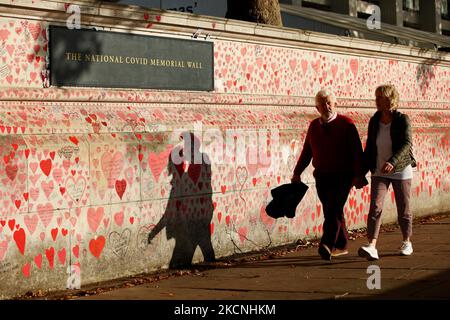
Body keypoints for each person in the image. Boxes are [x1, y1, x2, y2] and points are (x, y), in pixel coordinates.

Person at [292, 89, 367, 261]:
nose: (326, 106)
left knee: (333, 209)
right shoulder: (314, 126)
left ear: (335, 104)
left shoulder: (347, 124)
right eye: (322, 104)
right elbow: (307, 151)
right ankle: (341, 245)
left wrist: (358, 175)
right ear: (317, 108)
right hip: (322, 176)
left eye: (329, 103)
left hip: (343, 176)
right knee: (331, 210)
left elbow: (357, 152)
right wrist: (297, 173)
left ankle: (326, 244)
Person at [358, 84, 416, 261]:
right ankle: (372, 245)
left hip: (400, 169)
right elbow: (369, 148)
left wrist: (393, 161)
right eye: (376, 97)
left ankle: (406, 241)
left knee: (403, 208)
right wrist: (360, 172)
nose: (376, 101)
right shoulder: (374, 120)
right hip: (379, 170)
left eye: (379, 97)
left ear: (389, 99)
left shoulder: (402, 119)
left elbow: (407, 144)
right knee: (375, 206)